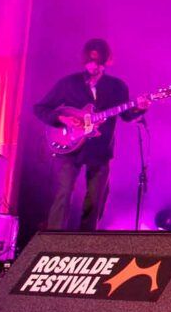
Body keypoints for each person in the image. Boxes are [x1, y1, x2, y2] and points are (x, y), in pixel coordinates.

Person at [33, 39, 148, 230]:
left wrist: (140, 108)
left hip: (100, 150)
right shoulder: (69, 83)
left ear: (105, 61)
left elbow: (126, 115)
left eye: (98, 62)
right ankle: (53, 238)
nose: (93, 66)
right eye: (90, 61)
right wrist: (62, 119)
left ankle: (86, 240)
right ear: (84, 60)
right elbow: (40, 108)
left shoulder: (117, 86)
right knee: (64, 192)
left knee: (96, 199)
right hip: (69, 147)